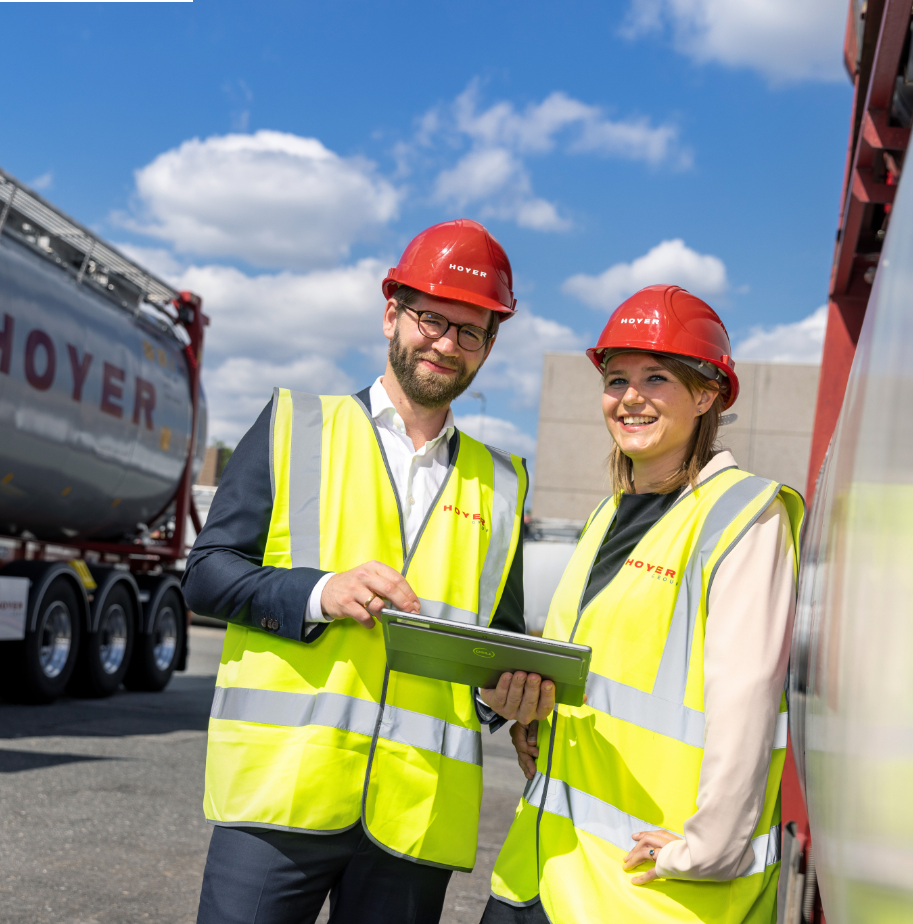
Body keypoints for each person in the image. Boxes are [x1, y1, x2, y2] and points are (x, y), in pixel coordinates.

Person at [183, 219, 531, 924]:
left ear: (489, 348)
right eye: (432, 318)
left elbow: (499, 636)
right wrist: (320, 591)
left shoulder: (504, 483)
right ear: (391, 315)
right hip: (280, 798)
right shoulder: (294, 425)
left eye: (470, 332)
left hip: (415, 815)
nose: (445, 344)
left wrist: (509, 697)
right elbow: (208, 574)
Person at [482, 285, 804, 924]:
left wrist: (708, 847)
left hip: (651, 888)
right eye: (616, 377)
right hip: (543, 868)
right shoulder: (607, 513)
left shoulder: (744, 515)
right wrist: (535, 723)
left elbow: (746, 699)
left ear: (707, 393)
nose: (629, 396)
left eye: (657, 378)